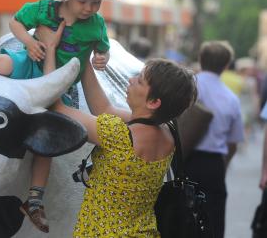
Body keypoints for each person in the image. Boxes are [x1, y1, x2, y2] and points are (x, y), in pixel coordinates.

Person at [0, 0, 116, 232]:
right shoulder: (44, 8)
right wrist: (30, 42)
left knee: (47, 140)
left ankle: (34, 198)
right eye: (83, 1)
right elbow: (15, 22)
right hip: (33, 63)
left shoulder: (96, 24)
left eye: (96, 2)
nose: (90, 8)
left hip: (60, 84)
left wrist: (102, 58)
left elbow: (103, 49)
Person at [36, 24, 197, 236]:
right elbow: (104, 108)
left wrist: (50, 49)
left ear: (154, 102)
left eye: (139, 81)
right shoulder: (168, 133)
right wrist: (83, 57)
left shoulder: (118, 135)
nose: (130, 80)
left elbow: (57, 107)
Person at [184, 41, 245, 238]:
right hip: (213, 164)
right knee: (213, 219)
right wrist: (223, 165)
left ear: (200, 60)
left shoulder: (186, 85)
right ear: (226, 66)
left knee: (179, 214)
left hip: (184, 157)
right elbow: (234, 142)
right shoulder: (231, 98)